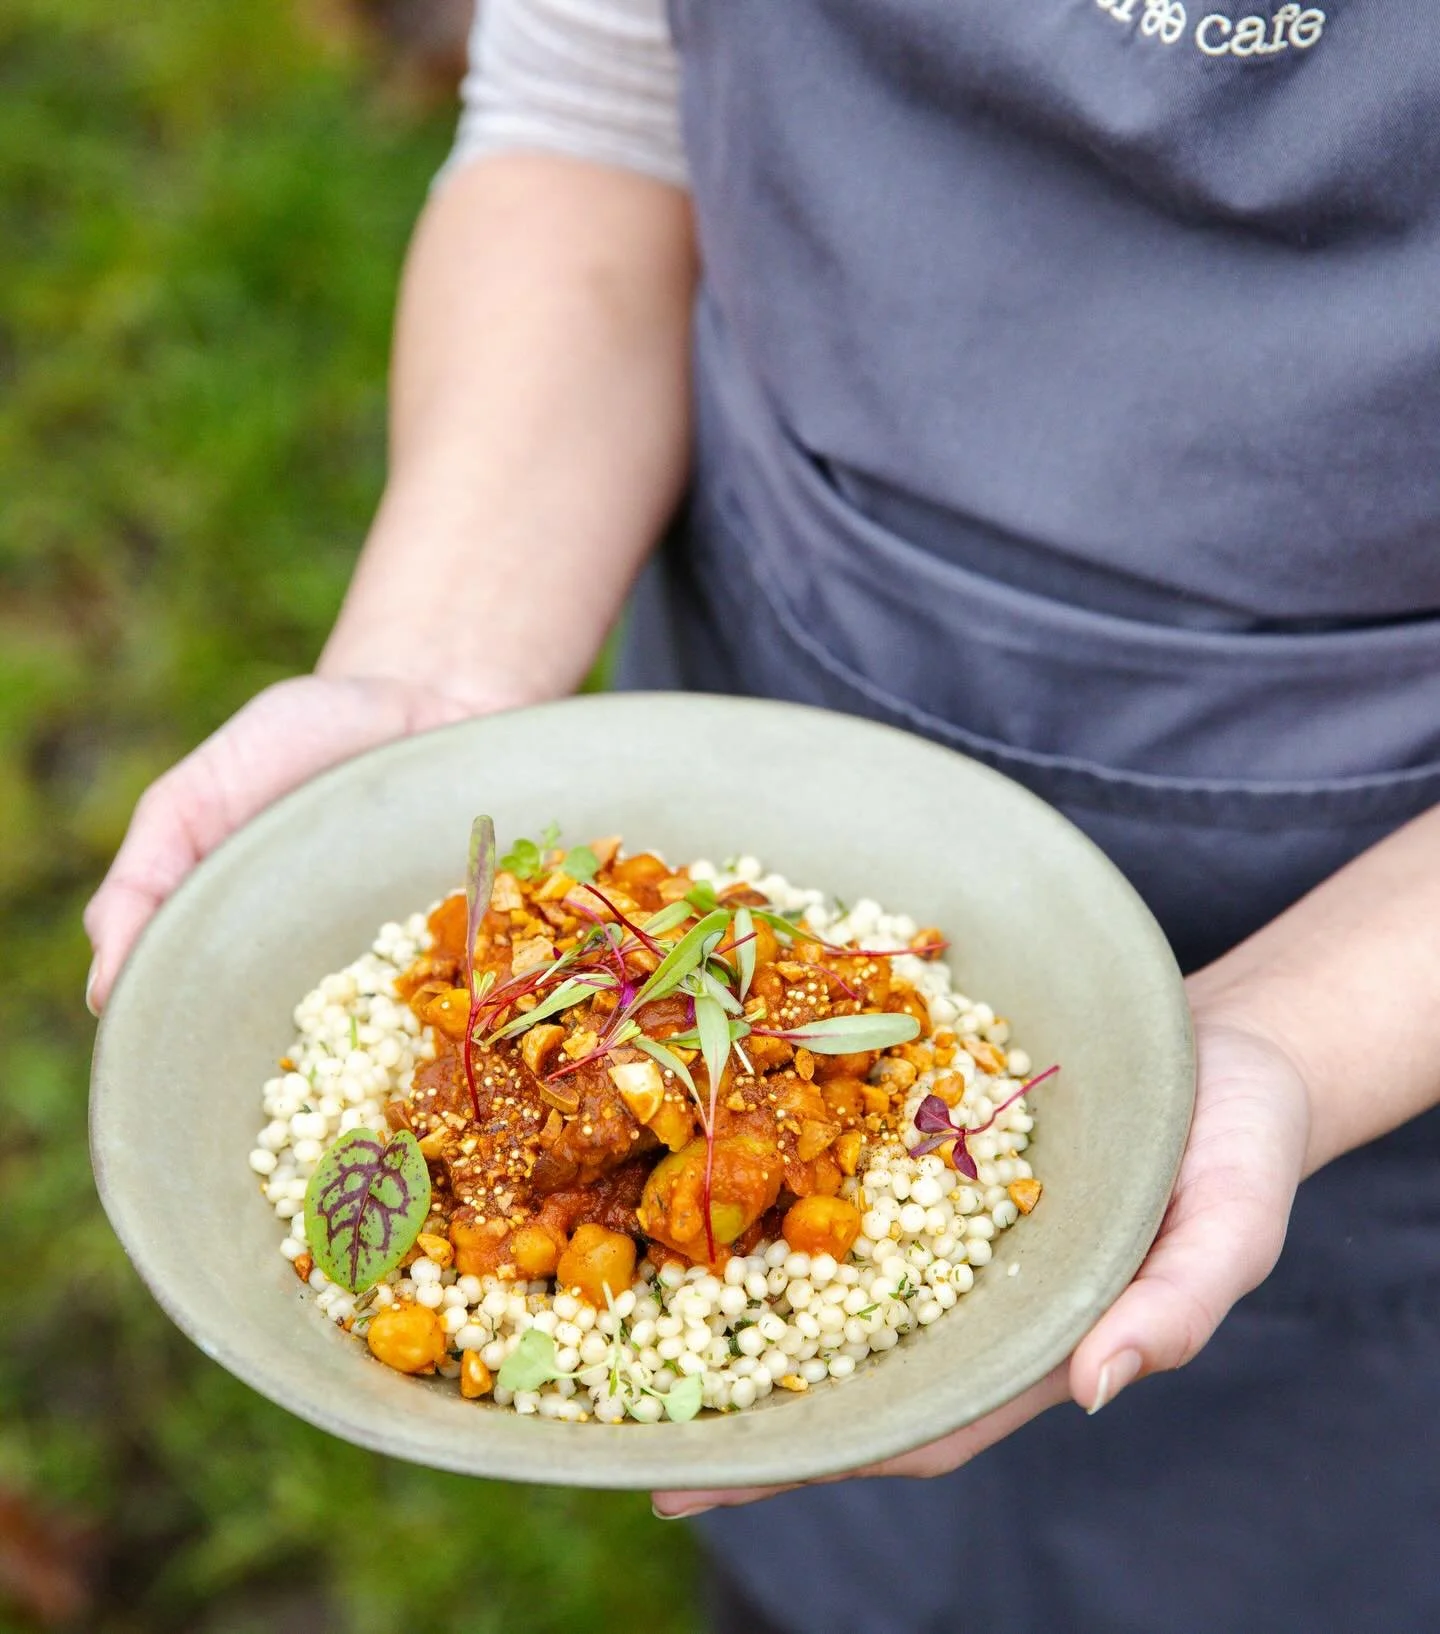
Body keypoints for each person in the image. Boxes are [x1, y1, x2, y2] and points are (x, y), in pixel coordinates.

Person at [86, 3, 1440, 1629]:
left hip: (1382, 933)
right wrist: (428, 686)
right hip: (784, 632)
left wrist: (1302, 1034)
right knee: (818, 1555)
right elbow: (597, 111)